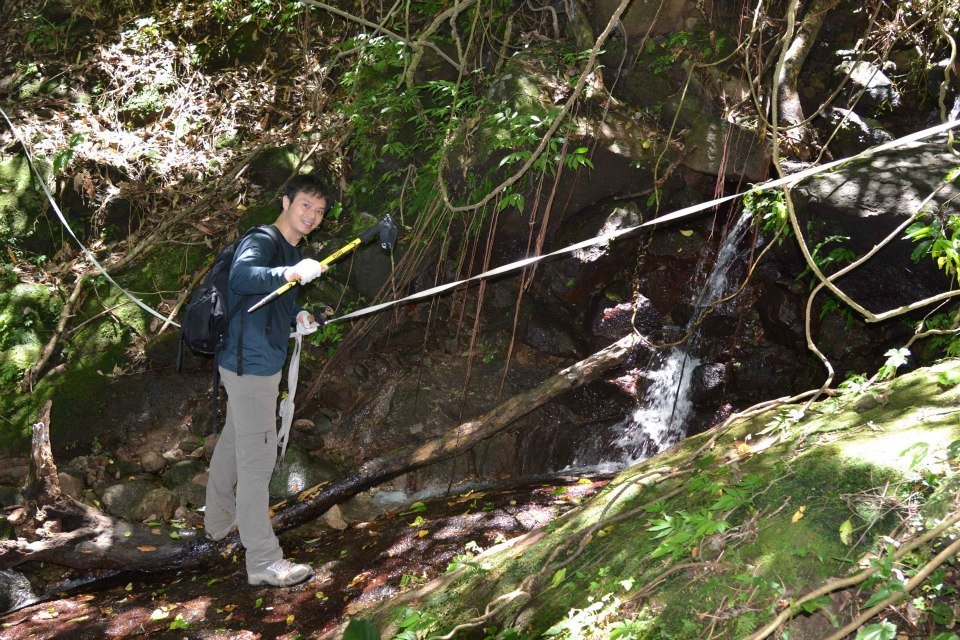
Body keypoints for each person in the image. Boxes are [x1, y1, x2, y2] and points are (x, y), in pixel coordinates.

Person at [204, 174, 329, 587]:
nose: (312, 215)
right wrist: (291, 274)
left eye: (319, 211)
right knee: (257, 460)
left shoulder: (289, 248)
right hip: (250, 366)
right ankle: (261, 560)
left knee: (234, 439)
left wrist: (298, 317)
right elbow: (243, 278)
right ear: (287, 200)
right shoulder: (263, 240)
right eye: (306, 205)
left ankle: (219, 522)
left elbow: (266, 304)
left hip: (255, 362)